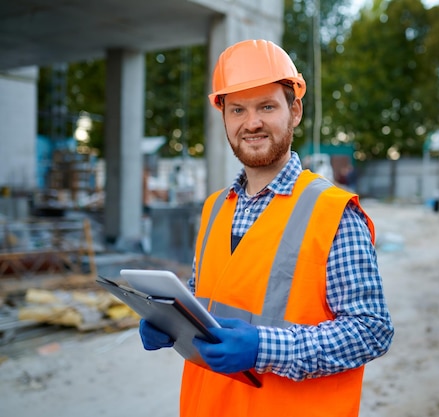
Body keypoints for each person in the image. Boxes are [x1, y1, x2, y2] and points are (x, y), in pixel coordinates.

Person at [138, 39, 394, 417]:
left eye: (267, 106)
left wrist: (264, 347)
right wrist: (171, 321)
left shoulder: (333, 212)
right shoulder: (213, 209)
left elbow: (371, 331)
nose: (251, 122)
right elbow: (205, 297)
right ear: (223, 115)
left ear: (295, 111)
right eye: (237, 109)